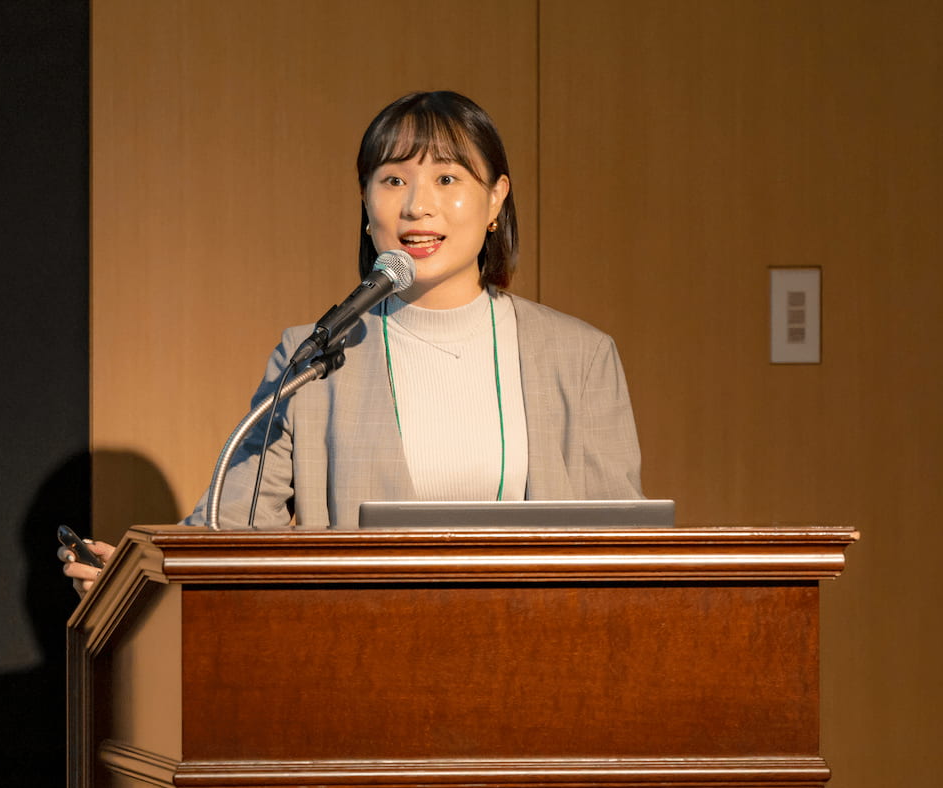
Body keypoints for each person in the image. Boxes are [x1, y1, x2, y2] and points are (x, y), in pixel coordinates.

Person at [62, 90, 642, 594]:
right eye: (393, 180)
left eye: (447, 178)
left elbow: (627, 551)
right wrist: (137, 576)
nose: (417, 206)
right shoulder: (319, 352)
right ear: (367, 205)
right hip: (359, 669)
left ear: (495, 199)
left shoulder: (579, 356)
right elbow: (228, 529)